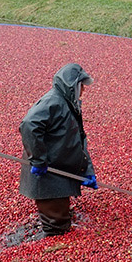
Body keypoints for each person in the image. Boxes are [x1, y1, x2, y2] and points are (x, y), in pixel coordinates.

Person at [19, 63, 98, 236]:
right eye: (81, 86)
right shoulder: (53, 102)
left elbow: (79, 140)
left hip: (60, 165)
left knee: (60, 208)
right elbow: (29, 125)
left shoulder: (69, 104)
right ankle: (49, 240)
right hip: (48, 170)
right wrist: (38, 160)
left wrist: (87, 171)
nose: (84, 90)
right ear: (72, 86)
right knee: (56, 224)